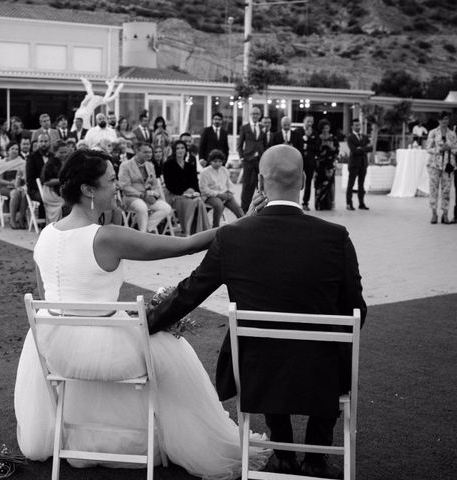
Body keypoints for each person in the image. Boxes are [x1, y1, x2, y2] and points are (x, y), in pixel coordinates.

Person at [14, 149, 271, 479]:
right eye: (110, 182)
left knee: (155, 339)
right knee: (176, 351)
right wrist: (246, 222)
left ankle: (88, 434)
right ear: (88, 190)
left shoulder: (45, 235)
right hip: (103, 352)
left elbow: (47, 298)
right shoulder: (107, 236)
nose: (116, 189)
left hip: (52, 351)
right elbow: (188, 245)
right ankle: (183, 438)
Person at [148, 144, 367, 478]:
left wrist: (147, 322)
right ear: (304, 180)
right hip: (321, 372)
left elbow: (189, 293)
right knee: (335, 344)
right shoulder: (336, 237)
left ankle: (282, 448)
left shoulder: (232, 237)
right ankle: (316, 454)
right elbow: (357, 311)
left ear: (260, 185)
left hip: (257, 369)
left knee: (264, 351)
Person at [118, 142, 172, 233]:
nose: (149, 154)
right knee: (142, 207)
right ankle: (142, 232)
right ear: (137, 151)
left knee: (166, 208)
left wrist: (154, 194)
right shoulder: (125, 165)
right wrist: (142, 195)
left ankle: (145, 230)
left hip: (147, 197)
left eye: (150, 152)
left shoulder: (150, 165)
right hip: (131, 198)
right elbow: (124, 186)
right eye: (145, 152)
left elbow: (154, 184)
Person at [163, 140, 211, 235]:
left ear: (186, 150)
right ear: (174, 150)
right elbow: (170, 185)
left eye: (182, 148)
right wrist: (184, 192)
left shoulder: (190, 166)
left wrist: (192, 190)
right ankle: (188, 231)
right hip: (174, 195)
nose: (180, 150)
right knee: (192, 202)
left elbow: (195, 183)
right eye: (177, 148)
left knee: (199, 201)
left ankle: (201, 231)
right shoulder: (168, 165)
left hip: (190, 195)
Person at [426, 111, 457, 225]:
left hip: (448, 166)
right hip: (434, 165)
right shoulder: (433, 133)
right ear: (438, 120)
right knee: (433, 190)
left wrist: (449, 148)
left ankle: (445, 214)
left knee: (446, 190)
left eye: (446, 119)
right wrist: (439, 150)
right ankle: (434, 214)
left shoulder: (452, 133)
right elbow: (428, 148)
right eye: (442, 119)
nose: (444, 121)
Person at [198, 149, 244, 227]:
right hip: (210, 196)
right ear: (210, 161)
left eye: (220, 161)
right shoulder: (204, 172)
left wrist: (230, 192)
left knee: (238, 209)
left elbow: (229, 184)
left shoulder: (224, 170)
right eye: (215, 161)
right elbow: (204, 189)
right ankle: (215, 227)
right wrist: (219, 195)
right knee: (219, 205)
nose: (218, 164)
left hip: (224, 194)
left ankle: (244, 225)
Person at [237, 106, 266, 213]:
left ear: (260, 115)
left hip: (260, 161)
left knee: (261, 185)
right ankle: (244, 211)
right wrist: (242, 157)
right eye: (253, 114)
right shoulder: (245, 127)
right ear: (250, 115)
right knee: (247, 186)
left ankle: (260, 208)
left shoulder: (263, 127)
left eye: (257, 114)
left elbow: (265, 144)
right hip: (248, 160)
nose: (255, 116)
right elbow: (239, 144)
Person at [0, 142, 28, 229]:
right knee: (15, 193)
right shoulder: (2, 163)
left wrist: (19, 182)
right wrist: (10, 183)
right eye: (12, 149)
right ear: (8, 151)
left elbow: (25, 177)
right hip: (5, 187)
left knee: (23, 192)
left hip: (19, 186)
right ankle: (13, 220)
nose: (15, 151)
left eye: (16, 149)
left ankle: (21, 218)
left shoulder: (22, 162)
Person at [292, 115, 319, 211]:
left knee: (308, 183)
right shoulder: (297, 132)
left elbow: (317, 148)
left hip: (310, 162)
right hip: (298, 161)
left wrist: (308, 142)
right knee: (295, 182)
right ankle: (294, 202)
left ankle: (305, 203)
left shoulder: (315, 133)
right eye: (308, 121)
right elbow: (294, 145)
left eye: (311, 121)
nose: (310, 123)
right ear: (304, 121)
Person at [345, 119, 373, 211]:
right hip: (354, 164)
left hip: (363, 163)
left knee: (361, 185)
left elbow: (371, 148)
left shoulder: (365, 137)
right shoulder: (350, 137)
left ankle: (361, 203)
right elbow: (354, 150)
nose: (358, 126)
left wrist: (361, 148)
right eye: (356, 125)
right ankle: (349, 203)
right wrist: (364, 149)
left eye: (359, 125)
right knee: (351, 185)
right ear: (352, 127)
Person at [39, 140, 68, 223]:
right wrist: (62, 180)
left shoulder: (67, 161)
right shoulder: (50, 163)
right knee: (65, 204)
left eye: (65, 152)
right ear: (55, 152)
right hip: (50, 191)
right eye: (61, 152)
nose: (64, 154)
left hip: (63, 190)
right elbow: (46, 181)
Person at [315, 119, 339, 211]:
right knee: (319, 184)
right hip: (320, 164)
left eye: (327, 127)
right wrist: (321, 146)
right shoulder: (318, 137)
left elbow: (336, 150)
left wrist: (330, 146)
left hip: (330, 164)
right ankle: (319, 204)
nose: (326, 129)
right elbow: (315, 150)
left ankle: (331, 203)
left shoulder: (333, 138)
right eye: (324, 128)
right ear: (321, 129)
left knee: (330, 184)